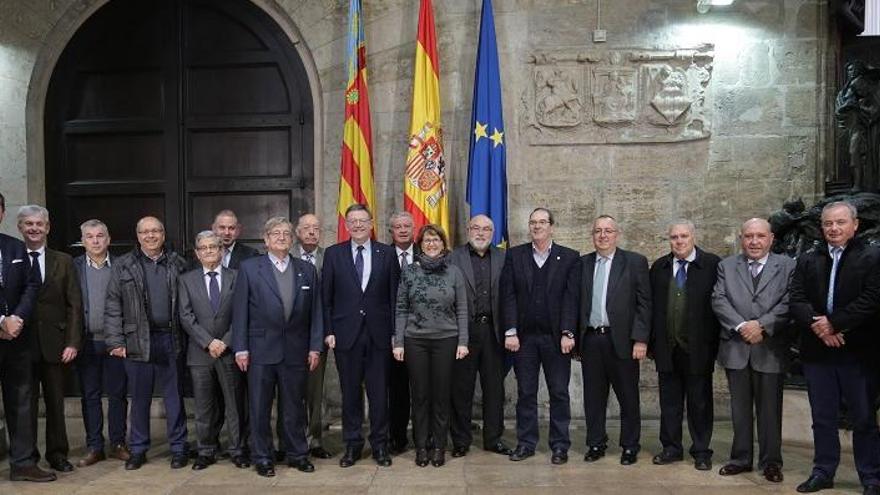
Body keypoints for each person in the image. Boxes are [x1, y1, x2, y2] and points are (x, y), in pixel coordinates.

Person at [789, 201, 880, 495]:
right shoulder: (808, 258)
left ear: (854, 225)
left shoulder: (872, 257)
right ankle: (823, 471)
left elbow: (871, 299)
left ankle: (870, 476)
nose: (833, 228)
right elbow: (797, 298)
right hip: (818, 351)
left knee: (864, 417)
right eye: (828, 223)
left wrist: (835, 324)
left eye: (840, 222)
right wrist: (820, 327)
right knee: (823, 417)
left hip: (858, 351)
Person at [232, 216, 323, 477]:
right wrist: (240, 348)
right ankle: (262, 456)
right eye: (276, 233)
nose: (281, 237)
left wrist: (314, 346)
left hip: (296, 350)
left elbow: (316, 312)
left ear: (292, 239)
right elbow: (240, 312)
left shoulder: (306, 270)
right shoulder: (250, 268)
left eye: (286, 233)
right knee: (260, 408)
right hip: (260, 350)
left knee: (294, 407)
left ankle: (297, 454)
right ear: (266, 239)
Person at [712, 218, 795, 483]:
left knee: (770, 411)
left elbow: (789, 301)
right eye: (749, 236)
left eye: (760, 236)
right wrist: (741, 326)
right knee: (740, 410)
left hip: (769, 347)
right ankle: (740, 458)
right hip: (736, 347)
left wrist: (762, 325)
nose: (754, 241)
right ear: (741, 239)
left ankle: (771, 462)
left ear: (771, 239)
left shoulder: (787, 266)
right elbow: (719, 298)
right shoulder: (726, 266)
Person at [104, 216, 190, 470]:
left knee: (174, 397)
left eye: (155, 231)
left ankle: (178, 447)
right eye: (145, 232)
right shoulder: (123, 265)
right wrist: (115, 341)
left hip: (171, 338)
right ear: (138, 235)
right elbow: (112, 305)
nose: (150, 236)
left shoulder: (178, 263)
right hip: (137, 340)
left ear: (163, 234)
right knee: (139, 398)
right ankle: (139, 449)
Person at [500, 207, 579, 464]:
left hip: (557, 339)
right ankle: (526, 443)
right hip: (524, 339)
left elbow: (571, 297)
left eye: (542, 222)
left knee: (559, 392)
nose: (537, 226)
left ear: (551, 226)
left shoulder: (569, 257)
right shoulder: (515, 256)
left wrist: (568, 332)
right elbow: (508, 295)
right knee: (526, 393)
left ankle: (559, 445)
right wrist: (510, 331)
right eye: (533, 222)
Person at [322, 204, 398, 468]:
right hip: (346, 335)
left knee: (379, 394)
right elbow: (326, 298)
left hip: (379, 336)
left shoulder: (387, 254)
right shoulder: (333, 254)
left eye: (362, 220)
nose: (357, 225)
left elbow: (394, 297)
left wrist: (394, 335)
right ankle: (352, 445)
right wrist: (329, 330)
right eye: (352, 221)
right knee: (350, 393)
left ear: (371, 222)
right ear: (346, 224)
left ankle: (380, 445)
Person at [577, 215, 651, 466]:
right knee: (593, 398)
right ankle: (596, 442)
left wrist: (640, 339)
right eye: (598, 231)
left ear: (616, 234)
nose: (603, 235)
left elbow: (644, 304)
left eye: (608, 231)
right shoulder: (583, 264)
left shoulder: (634, 262)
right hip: (591, 340)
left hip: (623, 341)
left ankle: (630, 445)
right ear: (592, 235)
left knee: (628, 397)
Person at [393, 224, 469, 467]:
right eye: (427, 240)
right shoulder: (409, 271)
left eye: (436, 239)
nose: (432, 243)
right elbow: (401, 307)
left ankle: (439, 446)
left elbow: (462, 310)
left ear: (443, 243)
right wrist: (399, 341)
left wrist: (463, 341)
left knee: (441, 396)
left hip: (446, 341)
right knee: (421, 395)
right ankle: (421, 446)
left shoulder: (454, 272)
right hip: (415, 341)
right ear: (420, 244)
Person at [649, 220, 720, 471]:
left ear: (693, 237)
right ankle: (671, 447)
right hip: (667, 348)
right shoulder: (659, 267)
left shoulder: (711, 264)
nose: (679, 241)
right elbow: (652, 309)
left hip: (698, 348)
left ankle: (701, 450)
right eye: (674, 237)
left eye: (684, 236)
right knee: (669, 402)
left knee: (699, 402)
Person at [17, 205, 83, 473]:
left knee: (56, 403)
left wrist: (72, 342)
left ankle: (57, 454)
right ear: (20, 227)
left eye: (39, 224)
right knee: (24, 404)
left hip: (55, 344)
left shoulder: (63, 261)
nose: (34, 228)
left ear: (48, 227)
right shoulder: (12, 256)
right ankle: (26, 456)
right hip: (19, 345)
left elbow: (74, 306)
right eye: (28, 224)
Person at [179, 231, 248, 470]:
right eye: (204, 248)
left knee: (234, 404)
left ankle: (237, 449)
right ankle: (206, 450)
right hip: (200, 353)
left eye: (213, 247)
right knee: (204, 406)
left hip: (229, 352)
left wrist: (225, 341)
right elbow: (186, 317)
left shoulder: (237, 277)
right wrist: (209, 342)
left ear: (221, 250)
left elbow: (242, 313)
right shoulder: (186, 280)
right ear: (197, 254)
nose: (209, 251)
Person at [0, 193, 54, 482]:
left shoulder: (15, 247)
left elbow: (31, 286)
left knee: (21, 400)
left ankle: (22, 463)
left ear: (2, 213)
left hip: (17, 340)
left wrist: (16, 319)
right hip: (3, 328)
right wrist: (1, 321)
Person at [448, 215, 512, 457]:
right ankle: (461, 441)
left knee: (495, 389)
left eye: (487, 229)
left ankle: (493, 438)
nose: (481, 233)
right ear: (468, 230)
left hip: (494, 332)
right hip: (463, 332)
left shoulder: (504, 258)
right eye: (476, 228)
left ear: (493, 233)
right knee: (461, 390)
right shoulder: (453, 257)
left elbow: (510, 297)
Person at [74, 219, 131, 467]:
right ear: (83, 241)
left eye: (100, 236)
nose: (95, 241)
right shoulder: (73, 266)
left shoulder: (123, 265)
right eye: (90, 237)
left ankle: (118, 442)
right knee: (90, 395)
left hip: (116, 342)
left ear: (108, 240)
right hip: (86, 342)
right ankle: (95, 445)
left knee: (118, 394)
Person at [289, 213, 332, 460]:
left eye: (316, 228)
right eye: (306, 228)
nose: (312, 232)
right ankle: (292, 438)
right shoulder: (287, 256)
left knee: (316, 391)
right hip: (291, 335)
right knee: (292, 390)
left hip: (320, 334)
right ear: (298, 231)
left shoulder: (331, 257)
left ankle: (315, 439)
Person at [388, 211, 415, 455]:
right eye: (398, 226)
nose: (403, 230)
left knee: (423, 388)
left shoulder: (429, 253)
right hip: (392, 335)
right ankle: (397, 437)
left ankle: (422, 434)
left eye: (407, 226)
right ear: (391, 231)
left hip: (422, 335)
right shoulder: (382, 255)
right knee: (396, 389)